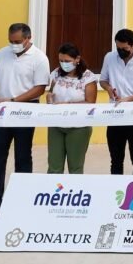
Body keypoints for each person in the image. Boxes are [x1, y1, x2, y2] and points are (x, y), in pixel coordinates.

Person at [0, 23, 50, 220]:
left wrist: (14, 100)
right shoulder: (2, 54)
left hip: (25, 109)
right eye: (11, 41)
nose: (13, 44)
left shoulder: (39, 58)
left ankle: (22, 199)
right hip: (1, 110)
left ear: (28, 38)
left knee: (23, 156)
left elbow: (40, 88)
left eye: (17, 41)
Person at [99, 28, 133, 175]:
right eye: (118, 48)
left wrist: (128, 99)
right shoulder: (109, 57)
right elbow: (103, 80)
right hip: (115, 114)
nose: (121, 51)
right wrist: (109, 89)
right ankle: (116, 186)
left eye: (124, 49)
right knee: (116, 158)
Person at [46, 42, 97, 174]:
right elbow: (51, 92)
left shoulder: (88, 77)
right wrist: (49, 97)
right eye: (61, 61)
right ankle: (54, 188)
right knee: (54, 167)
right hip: (56, 125)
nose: (63, 64)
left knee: (75, 168)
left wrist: (67, 105)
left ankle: (74, 188)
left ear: (77, 59)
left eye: (67, 61)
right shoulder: (56, 73)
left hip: (78, 127)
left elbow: (90, 103)